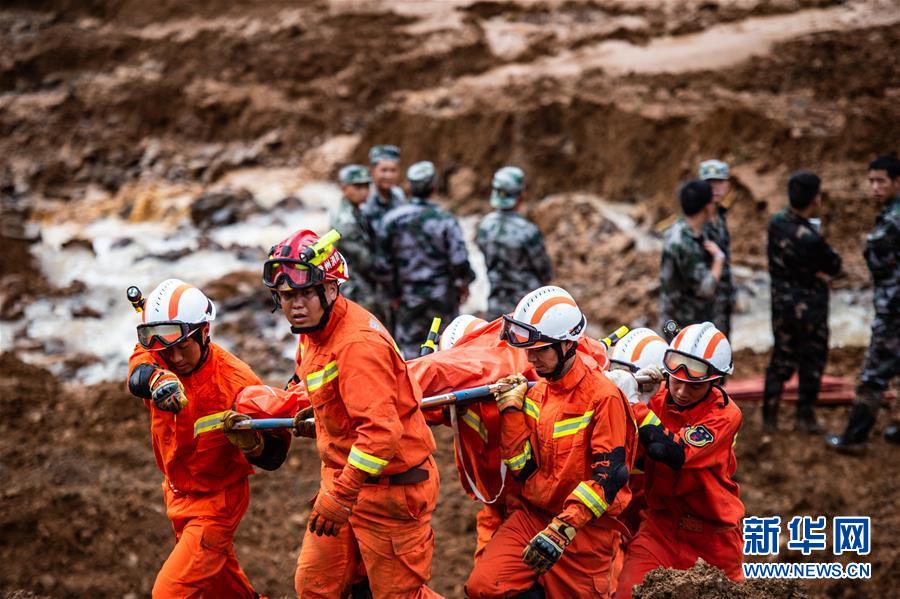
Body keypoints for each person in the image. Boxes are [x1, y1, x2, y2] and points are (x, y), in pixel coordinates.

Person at [262, 229, 442, 598]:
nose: (294, 305)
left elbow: (380, 435)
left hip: (391, 492)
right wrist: (317, 413)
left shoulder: (358, 345)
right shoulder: (310, 332)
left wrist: (341, 495)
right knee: (316, 587)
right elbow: (322, 386)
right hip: (346, 481)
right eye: (285, 296)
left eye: (302, 294)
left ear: (330, 289)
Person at [466, 286, 637, 598]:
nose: (530, 358)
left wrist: (563, 529)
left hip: (583, 530)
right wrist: (511, 412)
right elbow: (523, 468)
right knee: (485, 587)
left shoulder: (603, 397)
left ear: (568, 344)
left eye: (540, 350)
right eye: (527, 349)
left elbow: (609, 478)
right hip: (534, 516)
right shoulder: (538, 389)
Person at [126, 279, 286, 598]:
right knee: (221, 585)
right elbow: (138, 370)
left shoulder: (237, 383)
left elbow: (275, 455)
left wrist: (254, 445)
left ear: (203, 331)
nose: (174, 358)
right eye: (164, 352)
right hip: (177, 490)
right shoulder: (161, 350)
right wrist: (157, 379)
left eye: (182, 347)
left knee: (169, 592)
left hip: (217, 502)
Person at [615, 322, 744, 599]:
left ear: (714, 382)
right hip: (660, 528)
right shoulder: (658, 399)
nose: (683, 392)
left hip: (713, 537)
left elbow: (671, 452)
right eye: (676, 381)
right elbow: (632, 451)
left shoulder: (724, 414)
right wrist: (631, 398)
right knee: (628, 593)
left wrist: (634, 404)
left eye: (694, 386)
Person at [828, 154, 900, 453]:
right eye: (871, 181)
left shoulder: (893, 219)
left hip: (894, 310)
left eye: (880, 181)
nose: (874, 187)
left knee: (873, 375)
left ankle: (854, 438)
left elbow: (875, 257)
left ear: (897, 182)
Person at [764, 171, 842, 433]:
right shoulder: (811, 237)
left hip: (781, 306)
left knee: (780, 359)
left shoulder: (775, 224)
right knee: (812, 361)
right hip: (810, 310)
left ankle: (769, 418)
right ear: (815, 199)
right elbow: (834, 265)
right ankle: (804, 417)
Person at [379, 161, 476, 358]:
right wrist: (463, 283)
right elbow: (459, 260)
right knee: (447, 348)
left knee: (410, 353)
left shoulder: (391, 220)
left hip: (407, 298)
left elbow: (382, 264)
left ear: (410, 187)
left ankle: (414, 387)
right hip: (443, 298)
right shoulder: (445, 219)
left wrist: (393, 295)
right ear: (433, 186)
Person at [476, 166, 553, 320]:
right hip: (526, 310)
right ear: (521, 196)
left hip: (496, 306)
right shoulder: (528, 231)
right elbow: (545, 273)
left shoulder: (484, 226)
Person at [659, 180, 726, 331]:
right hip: (682, 326)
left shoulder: (681, 229)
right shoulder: (683, 243)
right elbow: (706, 289)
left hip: (683, 319)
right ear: (707, 207)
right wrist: (718, 260)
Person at [330, 164, 385, 322]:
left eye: (366, 186)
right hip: (355, 289)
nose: (364, 191)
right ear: (344, 188)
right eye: (357, 186)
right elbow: (366, 262)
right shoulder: (346, 220)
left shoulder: (356, 210)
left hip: (361, 284)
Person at [363, 144, 406, 332]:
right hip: (375, 281)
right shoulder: (366, 204)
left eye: (393, 170)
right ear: (372, 172)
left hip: (398, 277)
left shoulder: (398, 196)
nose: (388, 175)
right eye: (383, 170)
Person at [699, 160, 736, 337]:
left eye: (719, 182)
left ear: (727, 184)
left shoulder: (720, 217)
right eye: (709, 183)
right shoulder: (696, 220)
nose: (714, 188)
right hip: (702, 304)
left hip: (723, 300)